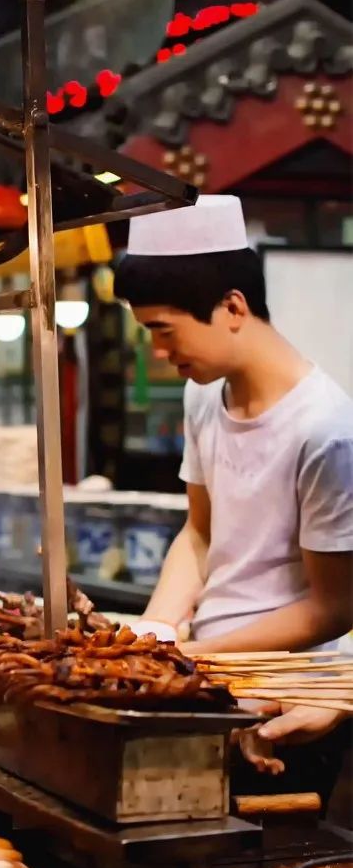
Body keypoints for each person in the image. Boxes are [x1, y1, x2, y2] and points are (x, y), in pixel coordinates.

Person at [114, 194, 353, 796]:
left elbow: (333, 608)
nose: (161, 355)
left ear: (232, 307)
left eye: (163, 332)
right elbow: (200, 533)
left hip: (287, 698)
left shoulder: (326, 431)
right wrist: (158, 629)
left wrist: (196, 654)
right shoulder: (205, 396)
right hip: (210, 680)